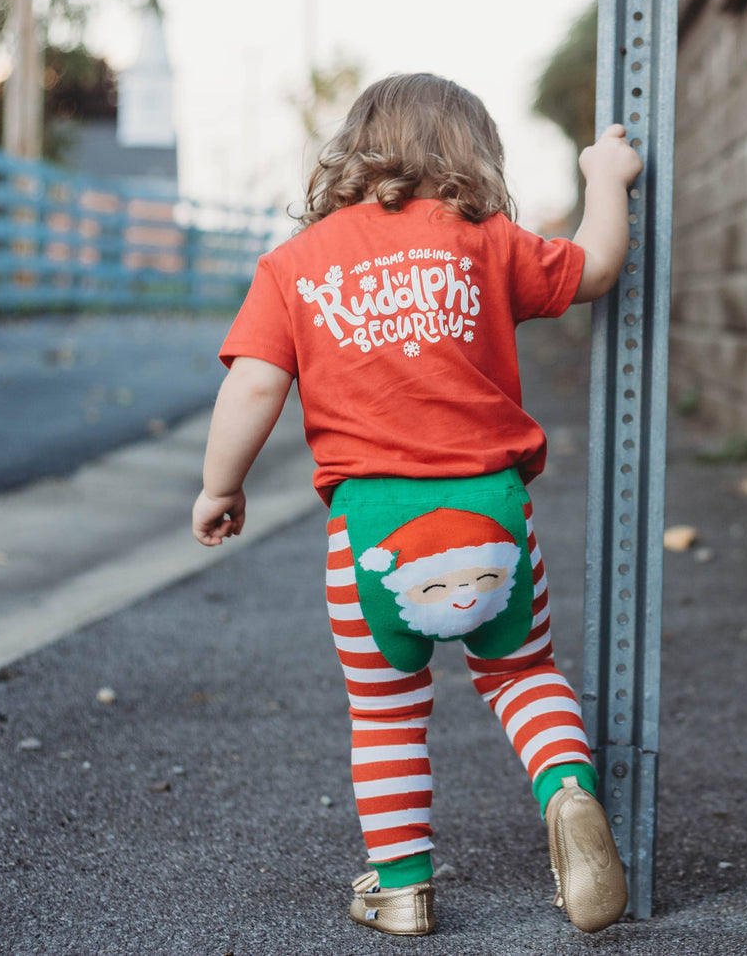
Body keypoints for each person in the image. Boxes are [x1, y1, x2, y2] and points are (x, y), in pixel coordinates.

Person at [191, 72, 643, 937]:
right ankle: (567, 789)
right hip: (492, 516)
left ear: (354, 155)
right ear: (472, 154)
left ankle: (400, 887)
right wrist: (604, 178)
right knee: (519, 673)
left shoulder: (294, 266)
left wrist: (221, 486)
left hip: (370, 537)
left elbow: (253, 388)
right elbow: (596, 267)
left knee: (387, 709)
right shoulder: (484, 240)